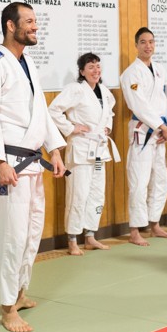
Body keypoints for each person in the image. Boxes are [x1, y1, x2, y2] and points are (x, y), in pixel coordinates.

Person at [0, 2, 66, 332]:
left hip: (32, 162)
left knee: (31, 233)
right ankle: (7, 307)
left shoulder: (27, 63)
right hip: (11, 164)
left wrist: (55, 149)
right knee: (12, 237)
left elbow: (41, 111)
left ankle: (20, 292)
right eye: (28, 21)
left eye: (35, 21)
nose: (35, 26)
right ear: (10, 26)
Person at [48, 52, 118, 255]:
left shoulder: (104, 91)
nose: (96, 70)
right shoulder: (75, 89)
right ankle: (72, 240)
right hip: (80, 150)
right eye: (90, 67)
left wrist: (107, 126)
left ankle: (90, 236)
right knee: (78, 195)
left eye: (98, 66)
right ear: (82, 71)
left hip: (99, 150)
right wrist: (71, 128)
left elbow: (110, 112)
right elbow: (53, 110)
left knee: (97, 193)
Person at [120, 27, 167, 246]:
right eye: (143, 42)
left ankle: (155, 224)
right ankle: (135, 230)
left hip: (161, 132)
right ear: (136, 45)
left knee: (160, 179)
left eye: (151, 41)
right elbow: (138, 104)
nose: (148, 46)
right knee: (139, 181)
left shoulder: (160, 69)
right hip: (143, 132)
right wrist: (160, 126)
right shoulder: (130, 74)